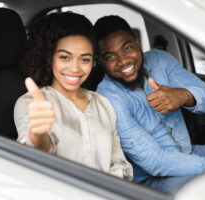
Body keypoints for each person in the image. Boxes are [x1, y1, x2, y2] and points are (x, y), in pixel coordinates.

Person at [94, 15, 205, 194]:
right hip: (154, 179)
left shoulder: (160, 60)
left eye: (127, 48)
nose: (123, 61)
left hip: (190, 153)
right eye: (110, 56)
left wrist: (184, 95)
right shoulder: (108, 96)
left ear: (138, 43)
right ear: (100, 61)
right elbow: (156, 163)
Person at [13, 12, 133, 180]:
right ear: (49, 57)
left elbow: (119, 165)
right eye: (65, 57)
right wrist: (39, 133)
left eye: (85, 59)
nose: (75, 68)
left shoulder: (103, 104)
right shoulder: (30, 103)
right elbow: (36, 154)